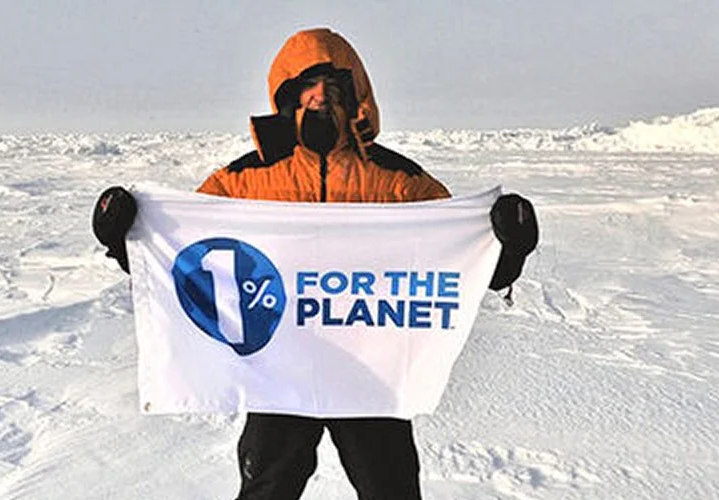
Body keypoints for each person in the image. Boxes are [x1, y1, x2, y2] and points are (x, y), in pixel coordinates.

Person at [92, 28, 538, 500]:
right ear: (287, 95)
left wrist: (509, 247)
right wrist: (126, 238)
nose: (321, 95)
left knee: (391, 490)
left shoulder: (398, 181)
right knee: (268, 490)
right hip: (277, 368)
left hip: (370, 370)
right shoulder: (244, 180)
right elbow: (184, 259)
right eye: (308, 85)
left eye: (334, 86)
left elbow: (459, 265)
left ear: (355, 96)